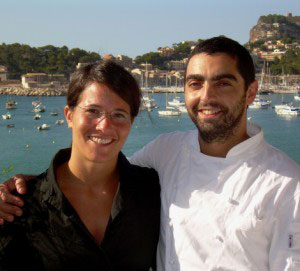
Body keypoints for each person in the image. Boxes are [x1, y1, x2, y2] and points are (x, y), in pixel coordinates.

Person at [1, 36, 300, 270]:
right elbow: (99, 168)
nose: (206, 96)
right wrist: (32, 185)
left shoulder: (288, 185)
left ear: (250, 92)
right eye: (195, 83)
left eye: (223, 83)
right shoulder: (166, 151)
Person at [0, 61, 161, 270]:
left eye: (119, 114)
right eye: (93, 111)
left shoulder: (151, 190)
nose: (104, 125)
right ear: (69, 115)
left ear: (130, 122)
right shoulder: (21, 205)